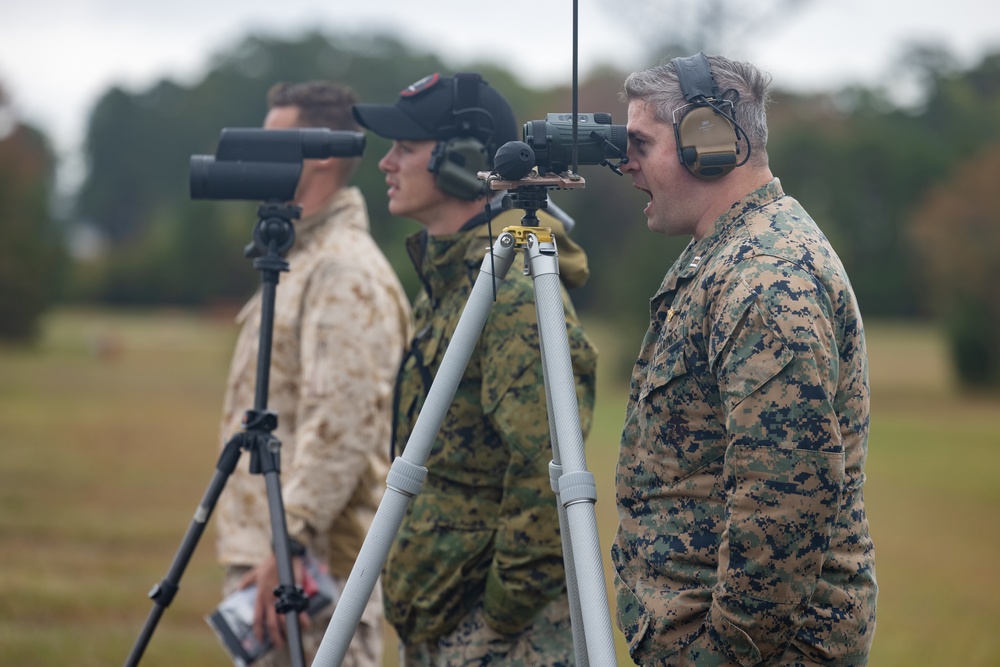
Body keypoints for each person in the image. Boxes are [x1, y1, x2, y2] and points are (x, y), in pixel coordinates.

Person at [612, 53, 877, 666]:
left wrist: (726, 652)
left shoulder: (765, 275)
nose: (626, 164)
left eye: (641, 144)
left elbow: (786, 493)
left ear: (708, 142)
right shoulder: (729, 252)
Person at [352, 72, 598, 666]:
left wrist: (494, 623)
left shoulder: (507, 291)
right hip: (441, 615)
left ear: (461, 162)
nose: (386, 163)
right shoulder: (450, 279)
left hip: (497, 640)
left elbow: (548, 474)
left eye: (404, 149)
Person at [215, 80, 412, 667]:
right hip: (278, 556)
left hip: (308, 566)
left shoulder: (342, 271)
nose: (256, 156)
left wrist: (288, 542)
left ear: (321, 153)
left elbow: (342, 427)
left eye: (273, 140)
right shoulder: (302, 259)